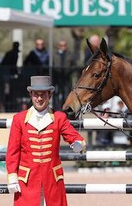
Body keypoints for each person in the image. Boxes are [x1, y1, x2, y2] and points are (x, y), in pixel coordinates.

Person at [5, 76, 86, 206]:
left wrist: (78, 143)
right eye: (36, 95)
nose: (39, 98)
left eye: (43, 95)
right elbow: (12, 152)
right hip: (27, 180)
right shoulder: (19, 119)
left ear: (50, 95)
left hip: (52, 179)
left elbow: (74, 136)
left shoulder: (59, 117)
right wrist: (12, 176)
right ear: (31, 95)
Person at [53, 40, 74, 109]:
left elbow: (73, 64)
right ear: (58, 46)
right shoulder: (55, 55)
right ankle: (56, 108)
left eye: (64, 45)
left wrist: (69, 72)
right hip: (57, 77)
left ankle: (66, 108)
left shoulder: (70, 54)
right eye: (61, 45)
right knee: (56, 94)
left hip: (66, 78)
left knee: (66, 94)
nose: (63, 47)